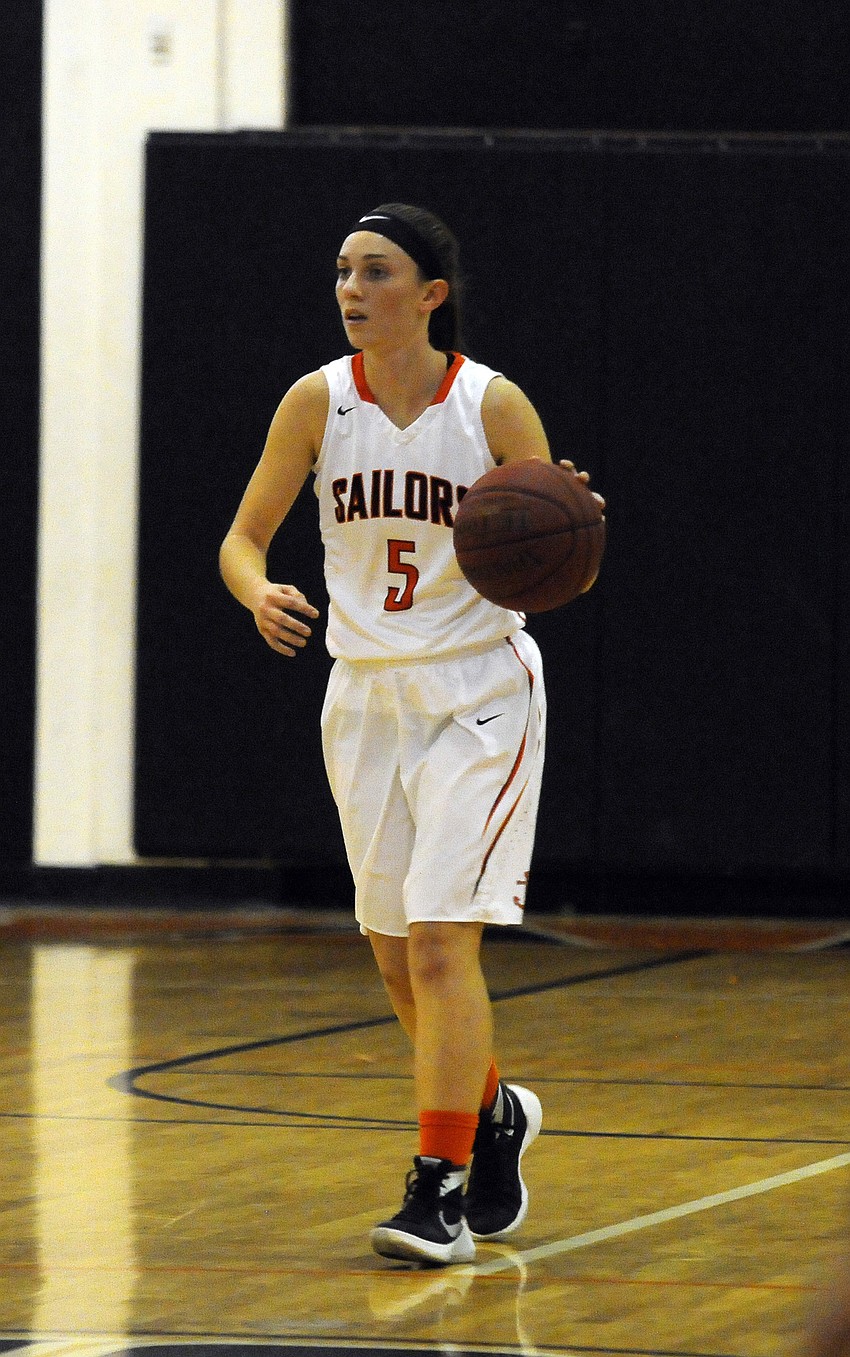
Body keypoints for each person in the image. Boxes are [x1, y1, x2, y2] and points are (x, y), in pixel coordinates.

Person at [219, 202, 603, 1266]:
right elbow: (242, 537)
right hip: (365, 697)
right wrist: (257, 590)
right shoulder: (316, 402)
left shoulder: (489, 403)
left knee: (441, 944)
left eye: (375, 271)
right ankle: (492, 1115)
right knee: (394, 961)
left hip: (478, 690)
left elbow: (567, 538)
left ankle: (434, 1187)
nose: (351, 289)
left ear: (430, 294)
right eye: (342, 270)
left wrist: (571, 529)